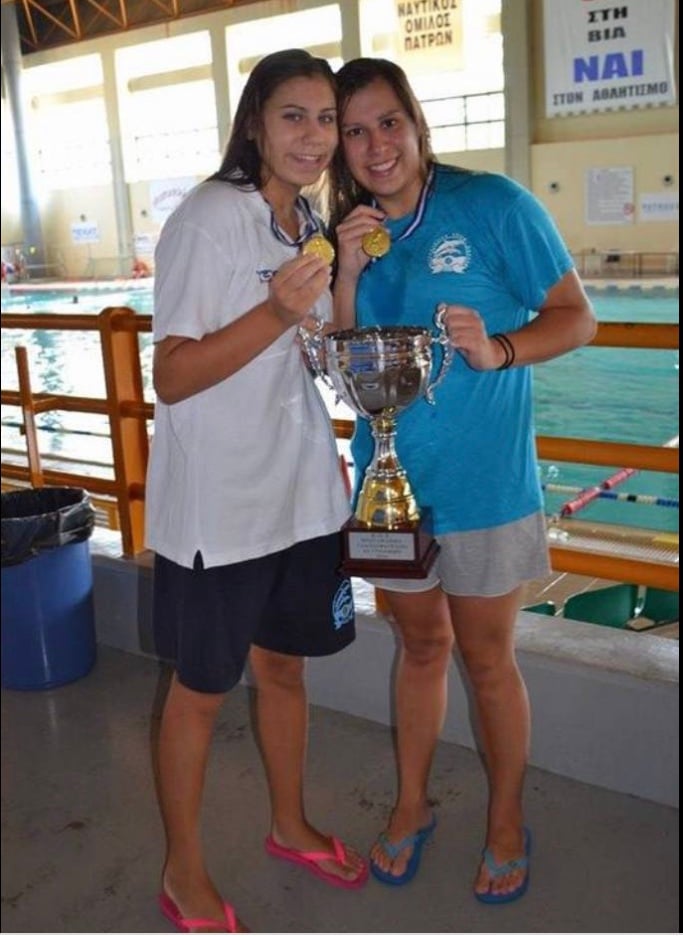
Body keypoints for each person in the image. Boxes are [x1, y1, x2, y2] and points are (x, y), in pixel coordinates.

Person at [329, 57, 597, 903]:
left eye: (387, 122)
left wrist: (499, 348)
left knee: (486, 661)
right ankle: (410, 804)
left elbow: (576, 317)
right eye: (354, 130)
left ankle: (506, 819)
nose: (375, 145)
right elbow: (344, 367)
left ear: (415, 124)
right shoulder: (351, 233)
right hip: (390, 489)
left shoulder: (492, 205)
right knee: (417, 648)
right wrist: (343, 270)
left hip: (484, 485)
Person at [145, 49, 368, 934]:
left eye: (326, 120)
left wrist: (342, 277)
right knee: (201, 689)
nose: (314, 137)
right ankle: (182, 868)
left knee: (284, 667)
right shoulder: (207, 218)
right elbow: (172, 375)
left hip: (300, 495)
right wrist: (273, 310)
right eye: (293, 116)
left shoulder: (303, 221)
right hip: (221, 509)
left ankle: (288, 822)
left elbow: (319, 354)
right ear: (254, 123)